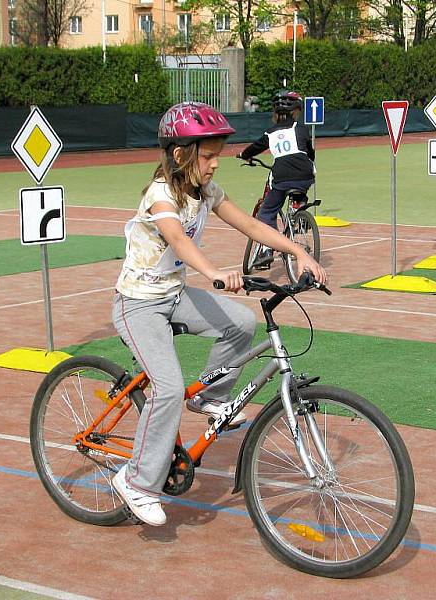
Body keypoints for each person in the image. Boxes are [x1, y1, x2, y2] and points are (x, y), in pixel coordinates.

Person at [110, 101, 327, 526]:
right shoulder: (160, 195)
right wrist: (213, 272)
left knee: (242, 323)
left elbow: (250, 225)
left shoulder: (206, 192)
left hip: (172, 295)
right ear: (181, 154)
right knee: (169, 389)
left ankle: (211, 398)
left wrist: (298, 250)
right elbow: (178, 239)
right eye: (208, 156)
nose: (214, 164)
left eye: (217, 156)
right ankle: (136, 482)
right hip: (137, 303)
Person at [238, 90, 316, 267]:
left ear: (275, 113)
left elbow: (255, 148)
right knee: (302, 182)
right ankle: (299, 206)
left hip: (281, 175)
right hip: (304, 174)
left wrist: (244, 154)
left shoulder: (270, 132)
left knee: (266, 213)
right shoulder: (301, 129)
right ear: (296, 112)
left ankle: (267, 248)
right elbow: (310, 152)